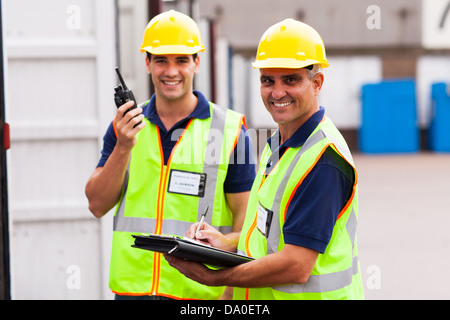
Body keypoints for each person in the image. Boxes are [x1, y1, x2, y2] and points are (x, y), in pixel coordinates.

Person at [165, 18, 364, 300]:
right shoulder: (277, 144)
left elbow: (296, 265)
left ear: (316, 82)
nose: (277, 92)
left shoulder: (323, 160)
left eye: (291, 79)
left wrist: (214, 277)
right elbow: (268, 234)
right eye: (267, 80)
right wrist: (226, 243)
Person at [85, 10, 255, 300]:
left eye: (181, 60)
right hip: (133, 292)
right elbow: (97, 204)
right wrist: (124, 146)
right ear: (148, 63)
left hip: (200, 295)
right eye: (161, 60)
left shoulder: (228, 130)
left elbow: (246, 222)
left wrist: (230, 290)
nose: (171, 71)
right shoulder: (125, 127)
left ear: (196, 63)